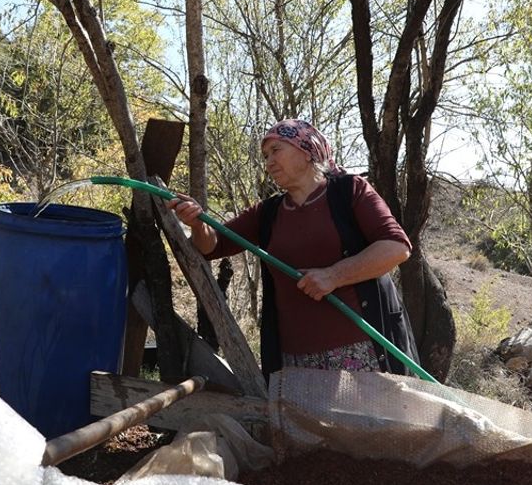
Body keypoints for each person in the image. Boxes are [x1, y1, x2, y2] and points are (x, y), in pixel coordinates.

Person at [167, 118, 419, 376]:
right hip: (293, 361)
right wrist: (198, 224)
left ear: (307, 150)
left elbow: (396, 247)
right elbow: (213, 246)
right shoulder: (268, 213)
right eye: (266, 156)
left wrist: (334, 275)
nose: (269, 162)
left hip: (361, 354)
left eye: (276, 150)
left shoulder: (349, 191)